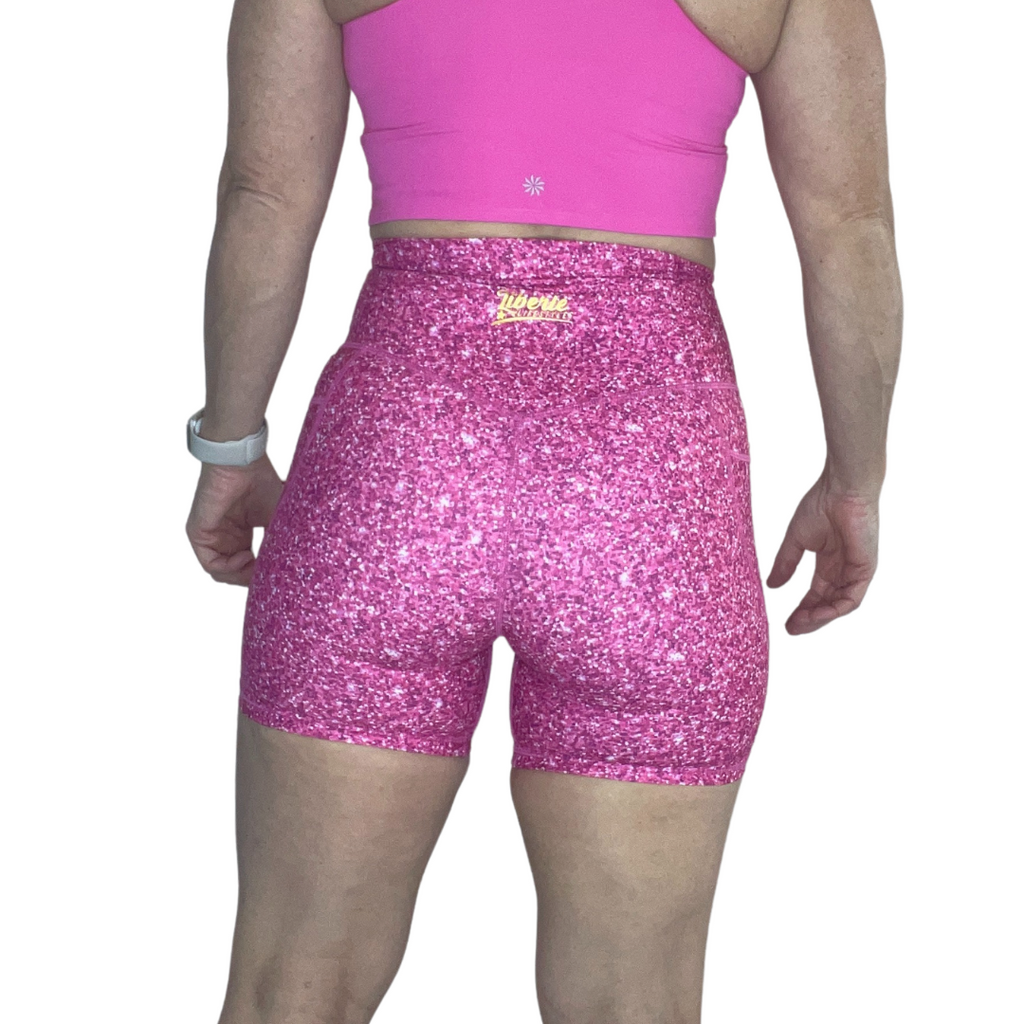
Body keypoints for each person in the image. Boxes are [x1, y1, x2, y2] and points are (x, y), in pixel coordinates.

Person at [185, 0, 902, 1020]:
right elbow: (849, 231)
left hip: (398, 457)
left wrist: (231, 445)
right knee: (629, 1004)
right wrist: (853, 480)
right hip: (651, 487)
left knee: (290, 986)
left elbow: (263, 197)